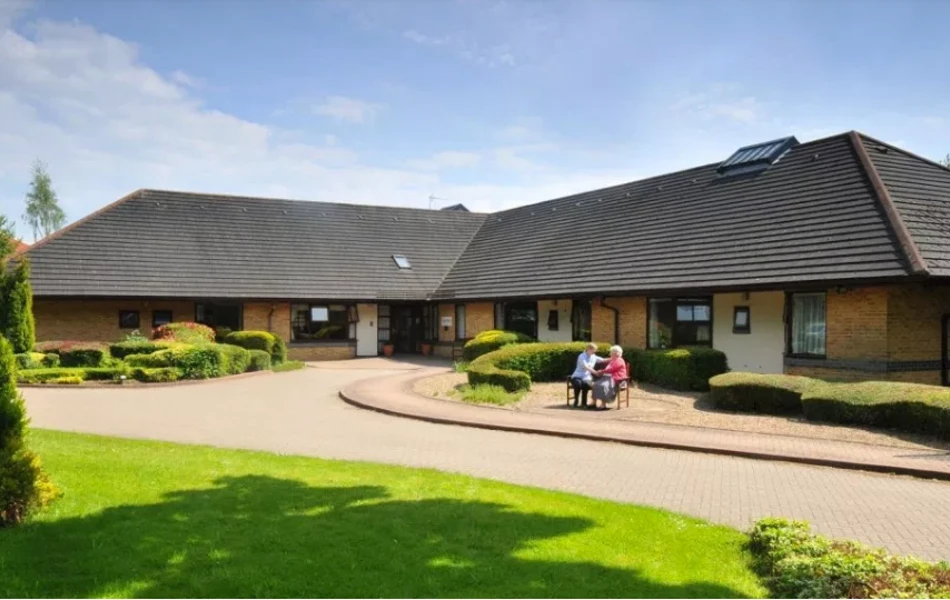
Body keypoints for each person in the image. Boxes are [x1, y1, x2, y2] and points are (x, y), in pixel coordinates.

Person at [569, 343, 599, 408]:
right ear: (588, 349)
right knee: (578, 384)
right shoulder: (581, 356)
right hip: (577, 376)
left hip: (586, 377)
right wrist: (595, 372)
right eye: (593, 350)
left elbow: (603, 360)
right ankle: (576, 400)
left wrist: (614, 358)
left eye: (595, 350)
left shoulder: (594, 356)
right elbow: (586, 367)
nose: (594, 351)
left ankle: (584, 403)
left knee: (586, 384)